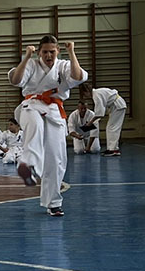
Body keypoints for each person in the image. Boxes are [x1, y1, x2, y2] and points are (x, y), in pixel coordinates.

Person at [9, 35, 87, 217]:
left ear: (58, 51)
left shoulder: (64, 65)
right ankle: (28, 165)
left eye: (52, 51)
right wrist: (27, 57)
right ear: (39, 53)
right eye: (44, 52)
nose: (48, 55)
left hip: (54, 111)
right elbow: (15, 81)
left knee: (56, 158)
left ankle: (53, 203)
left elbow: (77, 77)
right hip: (31, 105)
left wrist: (72, 51)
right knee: (35, 126)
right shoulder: (31, 64)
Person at [84, 83, 128, 156]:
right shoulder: (96, 93)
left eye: (84, 94)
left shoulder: (96, 95)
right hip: (115, 106)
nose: (85, 96)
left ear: (87, 91)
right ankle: (111, 148)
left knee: (112, 128)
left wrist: (90, 122)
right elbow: (100, 112)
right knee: (111, 128)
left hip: (117, 105)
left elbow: (99, 113)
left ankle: (113, 150)